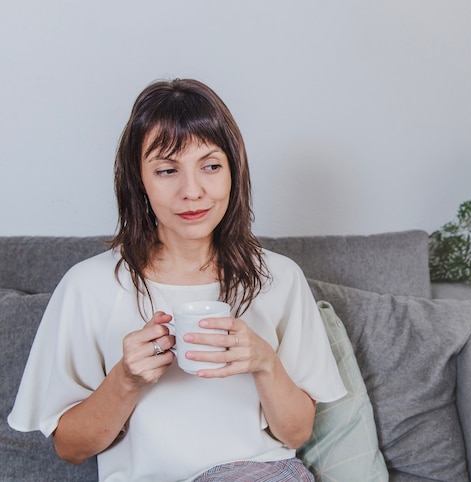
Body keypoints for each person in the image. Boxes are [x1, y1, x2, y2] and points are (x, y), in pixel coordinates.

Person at [9, 79, 346, 482]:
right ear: (139, 181)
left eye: (210, 166)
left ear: (233, 172)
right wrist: (126, 379)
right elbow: (71, 448)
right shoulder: (88, 286)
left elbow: (295, 433)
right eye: (167, 170)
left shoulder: (279, 278)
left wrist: (264, 364)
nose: (193, 191)